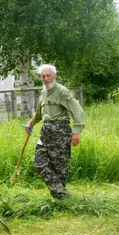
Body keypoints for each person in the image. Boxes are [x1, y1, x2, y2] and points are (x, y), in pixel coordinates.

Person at [26, 64, 85, 199]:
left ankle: (60, 199)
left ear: (54, 76)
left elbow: (77, 111)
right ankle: (62, 194)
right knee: (39, 162)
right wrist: (31, 124)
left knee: (59, 168)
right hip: (46, 131)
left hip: (60, 131)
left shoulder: (62, 91)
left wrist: (77, 131)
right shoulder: (43, 92)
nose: (46, 78)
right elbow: (40, 114)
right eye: (43, 76)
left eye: (48, 75)